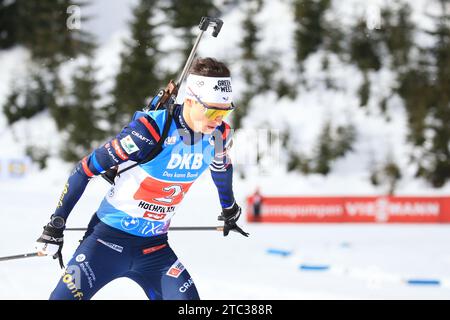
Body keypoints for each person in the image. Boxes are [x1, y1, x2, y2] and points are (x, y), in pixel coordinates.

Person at [35, 57, 248, 300]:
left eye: (225, 110)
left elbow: (221, 167)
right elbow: (84, 170)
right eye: (212, 110)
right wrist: (56, 226)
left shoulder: (219, 134)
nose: (218, 118)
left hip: (155, 250)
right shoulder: (151, 130)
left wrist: (229, 207)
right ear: (190, 100)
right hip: (105, 243)